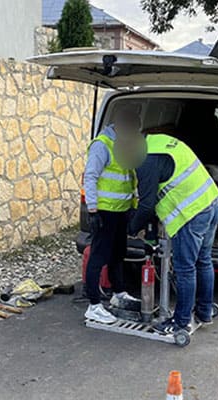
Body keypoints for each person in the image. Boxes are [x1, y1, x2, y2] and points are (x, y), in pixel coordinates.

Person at [115, 115, 218, 336]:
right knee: (204, 260)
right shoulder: (158, 140)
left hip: (190, 214)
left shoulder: (146, 160)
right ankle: (204, 312)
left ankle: (181, 322)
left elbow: (146, 205)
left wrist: (131, 229)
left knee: (185, 269)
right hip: (211, 201)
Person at [83, 108, 142, 324]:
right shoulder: (102, 145)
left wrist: (134, 205)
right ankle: (94, 305)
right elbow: (90, 176)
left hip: (121, 210)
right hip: (104, 211)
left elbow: (130, 177)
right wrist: (92, 210)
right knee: (98, 257)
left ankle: (119, 294)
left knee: (118, 254)